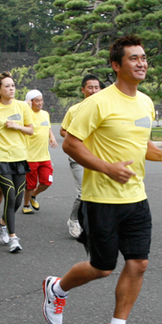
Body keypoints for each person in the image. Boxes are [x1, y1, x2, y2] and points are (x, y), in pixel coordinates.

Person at [43, 35, 162, 324]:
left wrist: (161, 155)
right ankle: (57, 288)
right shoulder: (98, 102)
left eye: (144, 57)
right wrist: (106, 168)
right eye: (134, 58)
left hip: (136, 198)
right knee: (102, 267)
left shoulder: (145, 102)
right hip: (101, 199)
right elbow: (71, 144)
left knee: (139, 263)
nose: (142, 63)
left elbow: (140, 144)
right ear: (117, 66)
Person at [0, 72, 34, 253]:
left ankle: (1, 223)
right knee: (10, 196)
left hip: (19, 157)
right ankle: (13, 238)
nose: (11, 89)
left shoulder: (22, 107)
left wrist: (16, 126)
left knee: (18, 199)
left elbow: (30, 130)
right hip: (0, 158)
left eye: (13, 85)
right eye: (7, 86)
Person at [60, 75, 104, 238]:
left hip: (99, 156)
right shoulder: (74, 110)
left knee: (100, 190)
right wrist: (78, 138)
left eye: (96, 87)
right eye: (90, 87)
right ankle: (74, 220)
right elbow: (63, 130)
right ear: (83, 90)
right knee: (83, 191)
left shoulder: (105, 109)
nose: (93, 91)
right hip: (78, 156)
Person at [22, 90, 58, 214]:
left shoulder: (45, 114)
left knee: (47, 181)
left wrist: (52, 137)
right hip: (30, 157)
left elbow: (47, 127)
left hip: (44, 156)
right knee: (30, 185)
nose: (40, 103)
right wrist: (25, 105)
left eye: (41, 100)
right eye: (37, 100)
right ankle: (26, 205)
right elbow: (16, 110)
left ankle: (33, 196)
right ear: (30, 102)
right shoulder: (26, 114)